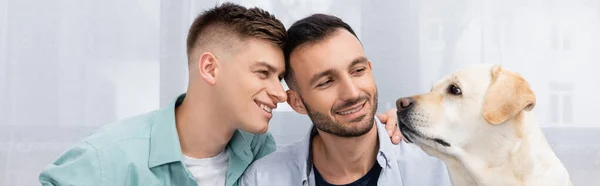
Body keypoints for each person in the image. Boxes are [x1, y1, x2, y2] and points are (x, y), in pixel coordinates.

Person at [38, 3, 402, 186]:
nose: (279, 93)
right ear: (210, 68)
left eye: (280, 77)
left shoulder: (262, 156)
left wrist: (408, 124)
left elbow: (339, 132)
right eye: (263, 73)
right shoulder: (105, 161)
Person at [240, 14, 452, 186]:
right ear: (297, 102)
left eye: (358, 70)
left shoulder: (438, 166)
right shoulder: (263, 179)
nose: (352, 93)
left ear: (370, 69)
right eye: (326, 82)